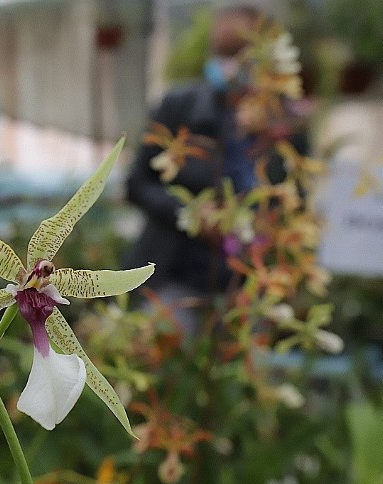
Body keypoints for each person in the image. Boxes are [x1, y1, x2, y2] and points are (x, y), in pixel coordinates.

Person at [123, 5, 298, 333]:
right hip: (175, 277)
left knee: (243, 368)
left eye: (241, 53)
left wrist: (262, 223)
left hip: (248, 284)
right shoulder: (179, 107)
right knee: (164, 352)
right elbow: (136, 183)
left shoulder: (281, 125)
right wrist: (188, 212)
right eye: (223, 52)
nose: (231, 65)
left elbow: (294, 198)